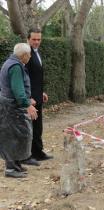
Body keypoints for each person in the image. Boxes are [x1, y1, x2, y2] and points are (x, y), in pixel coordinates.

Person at [0, 43, 38, 178]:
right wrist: (27, 104)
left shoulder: (11, 63)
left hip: (9, 105)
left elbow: (16, 88)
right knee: (12, 136)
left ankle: (16, 165)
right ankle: (10, 169)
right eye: (29, 55)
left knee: (18, 135)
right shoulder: (16, 66)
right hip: (12, 107)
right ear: (24, 55)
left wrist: (28, 99)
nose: (29, 57)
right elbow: (17, 89)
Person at [22, 28, 53, 166]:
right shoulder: (25, 54)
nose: (36, 42)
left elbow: (36, 77)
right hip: (29, 99)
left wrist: (41, 92)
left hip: (38, 96)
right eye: (34, 39)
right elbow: (24, 78)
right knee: (29, 127)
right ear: (28, 39)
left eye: (39, 39)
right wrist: (28, 97)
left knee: (38, 127)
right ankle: (27, 155)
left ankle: (38, 152)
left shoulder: (37, 53)